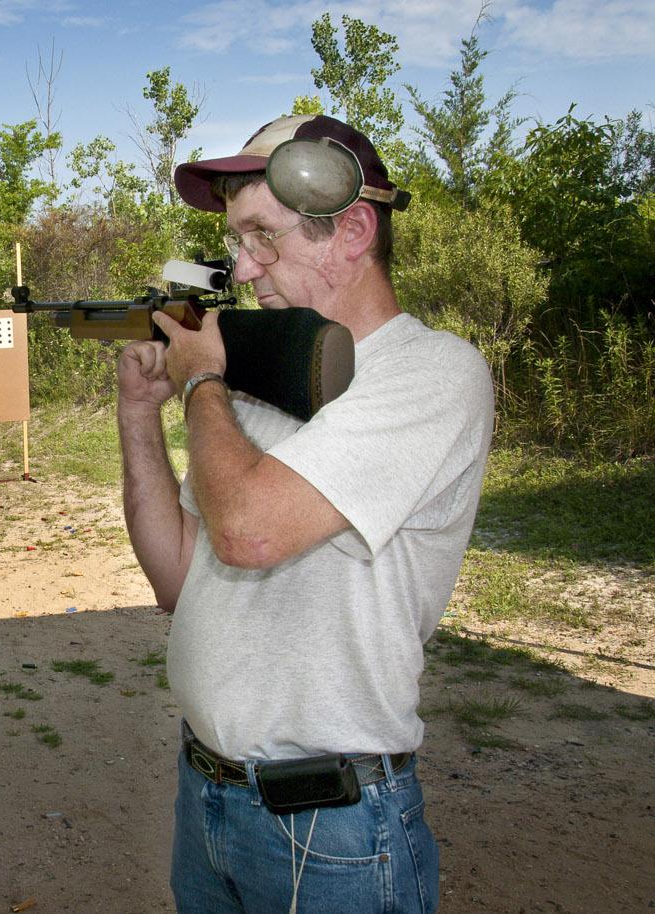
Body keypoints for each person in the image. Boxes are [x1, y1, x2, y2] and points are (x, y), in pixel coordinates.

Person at [117, 114, 493, 914]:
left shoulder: (431, 373)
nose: (242, 269)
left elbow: (250, 531)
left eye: (262, 237)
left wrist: (201, 383)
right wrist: (139, 412)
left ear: (353, 229)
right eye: (235, 241)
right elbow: (178, 579)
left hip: (331, 829)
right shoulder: (257, 380)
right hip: (208, 796)